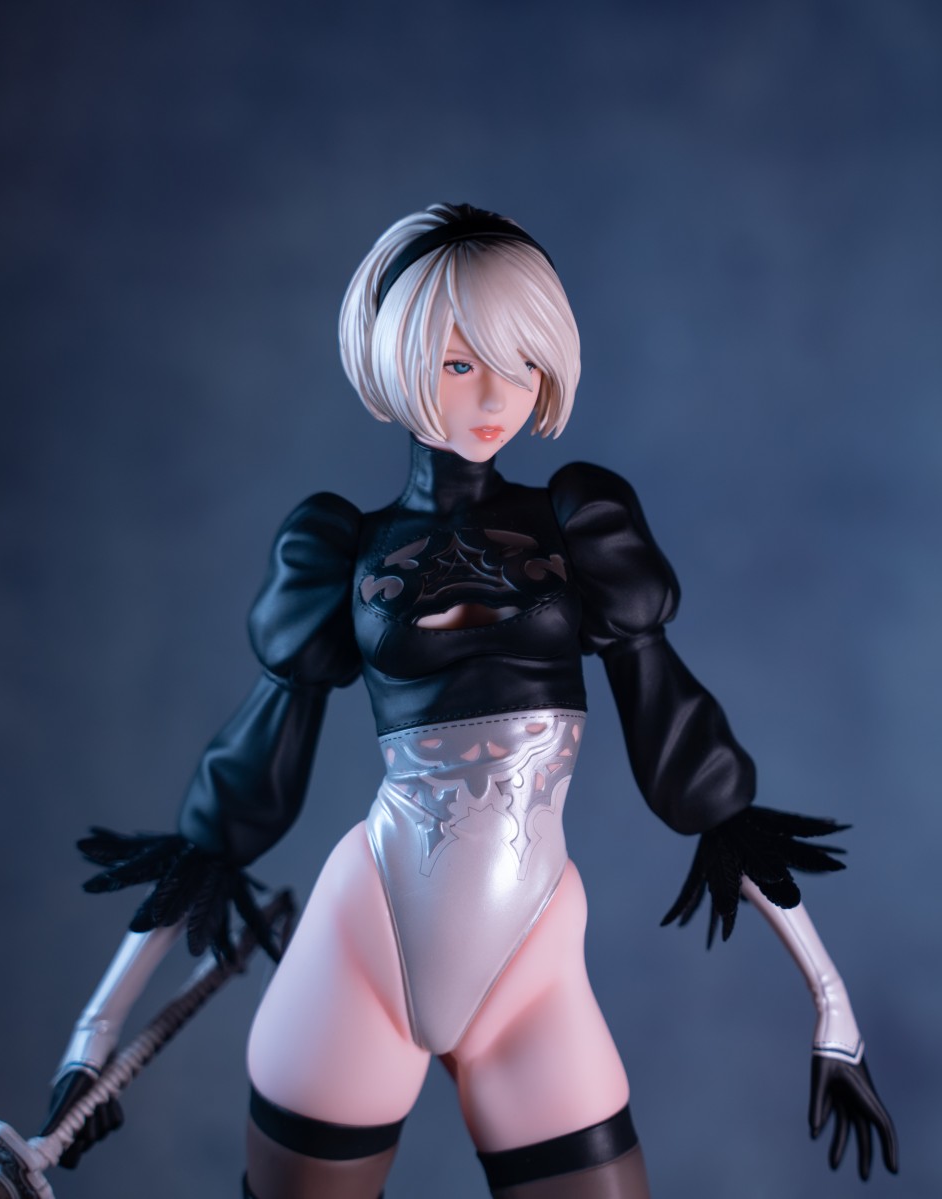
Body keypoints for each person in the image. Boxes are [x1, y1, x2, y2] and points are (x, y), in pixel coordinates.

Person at [54, 203, 897, 1198]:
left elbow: (687, 758)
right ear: (397, 360)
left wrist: (831, 1004)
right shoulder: (339, 547)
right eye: (460, 363)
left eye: (522, 361)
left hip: (529, 957)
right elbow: (244, 789)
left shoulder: (580, 520)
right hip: (363, 942)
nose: (497, 395)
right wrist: (92, 1035)